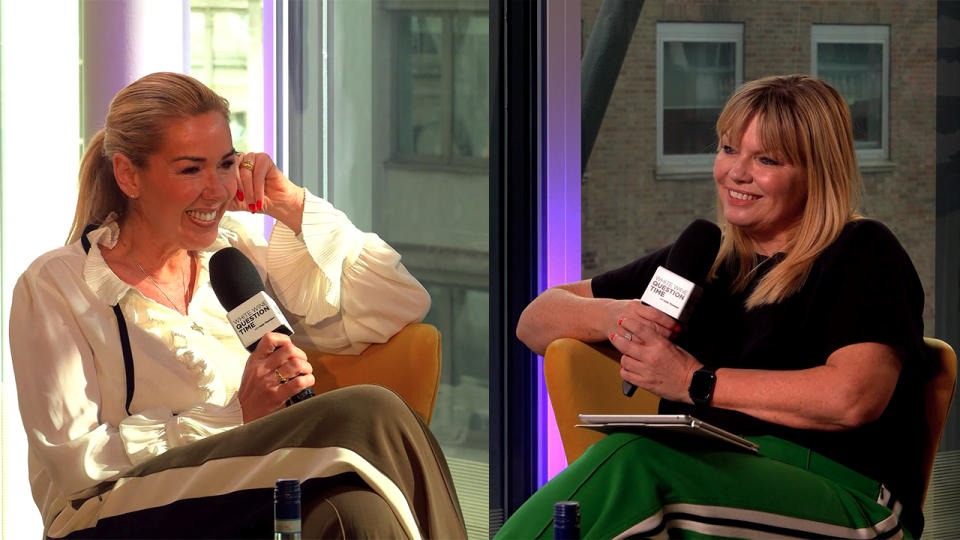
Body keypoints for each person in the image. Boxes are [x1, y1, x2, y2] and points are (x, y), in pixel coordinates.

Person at [10, 72, 466, 539]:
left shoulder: (231, 257)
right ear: (128, 175)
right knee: (371, 410)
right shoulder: (55, 285)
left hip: (245, 497)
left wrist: (291, 204)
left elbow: (400, 303)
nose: (218, 190)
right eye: (191, 169)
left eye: (225, 164)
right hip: (111, 516)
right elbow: (77, 464)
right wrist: (234, 417)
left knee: (358, 511)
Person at [500, 75, 928, 538]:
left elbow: (853, 398)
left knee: (634, 460)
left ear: (816, 171)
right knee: (630, 474)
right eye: (728, 149)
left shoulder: (861, 251)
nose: (736, 173)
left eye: (766, 159)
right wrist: (622, 316)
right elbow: (535, 320)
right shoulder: (706, 259)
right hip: (706, 478)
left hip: (847, 497)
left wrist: (693, 382)